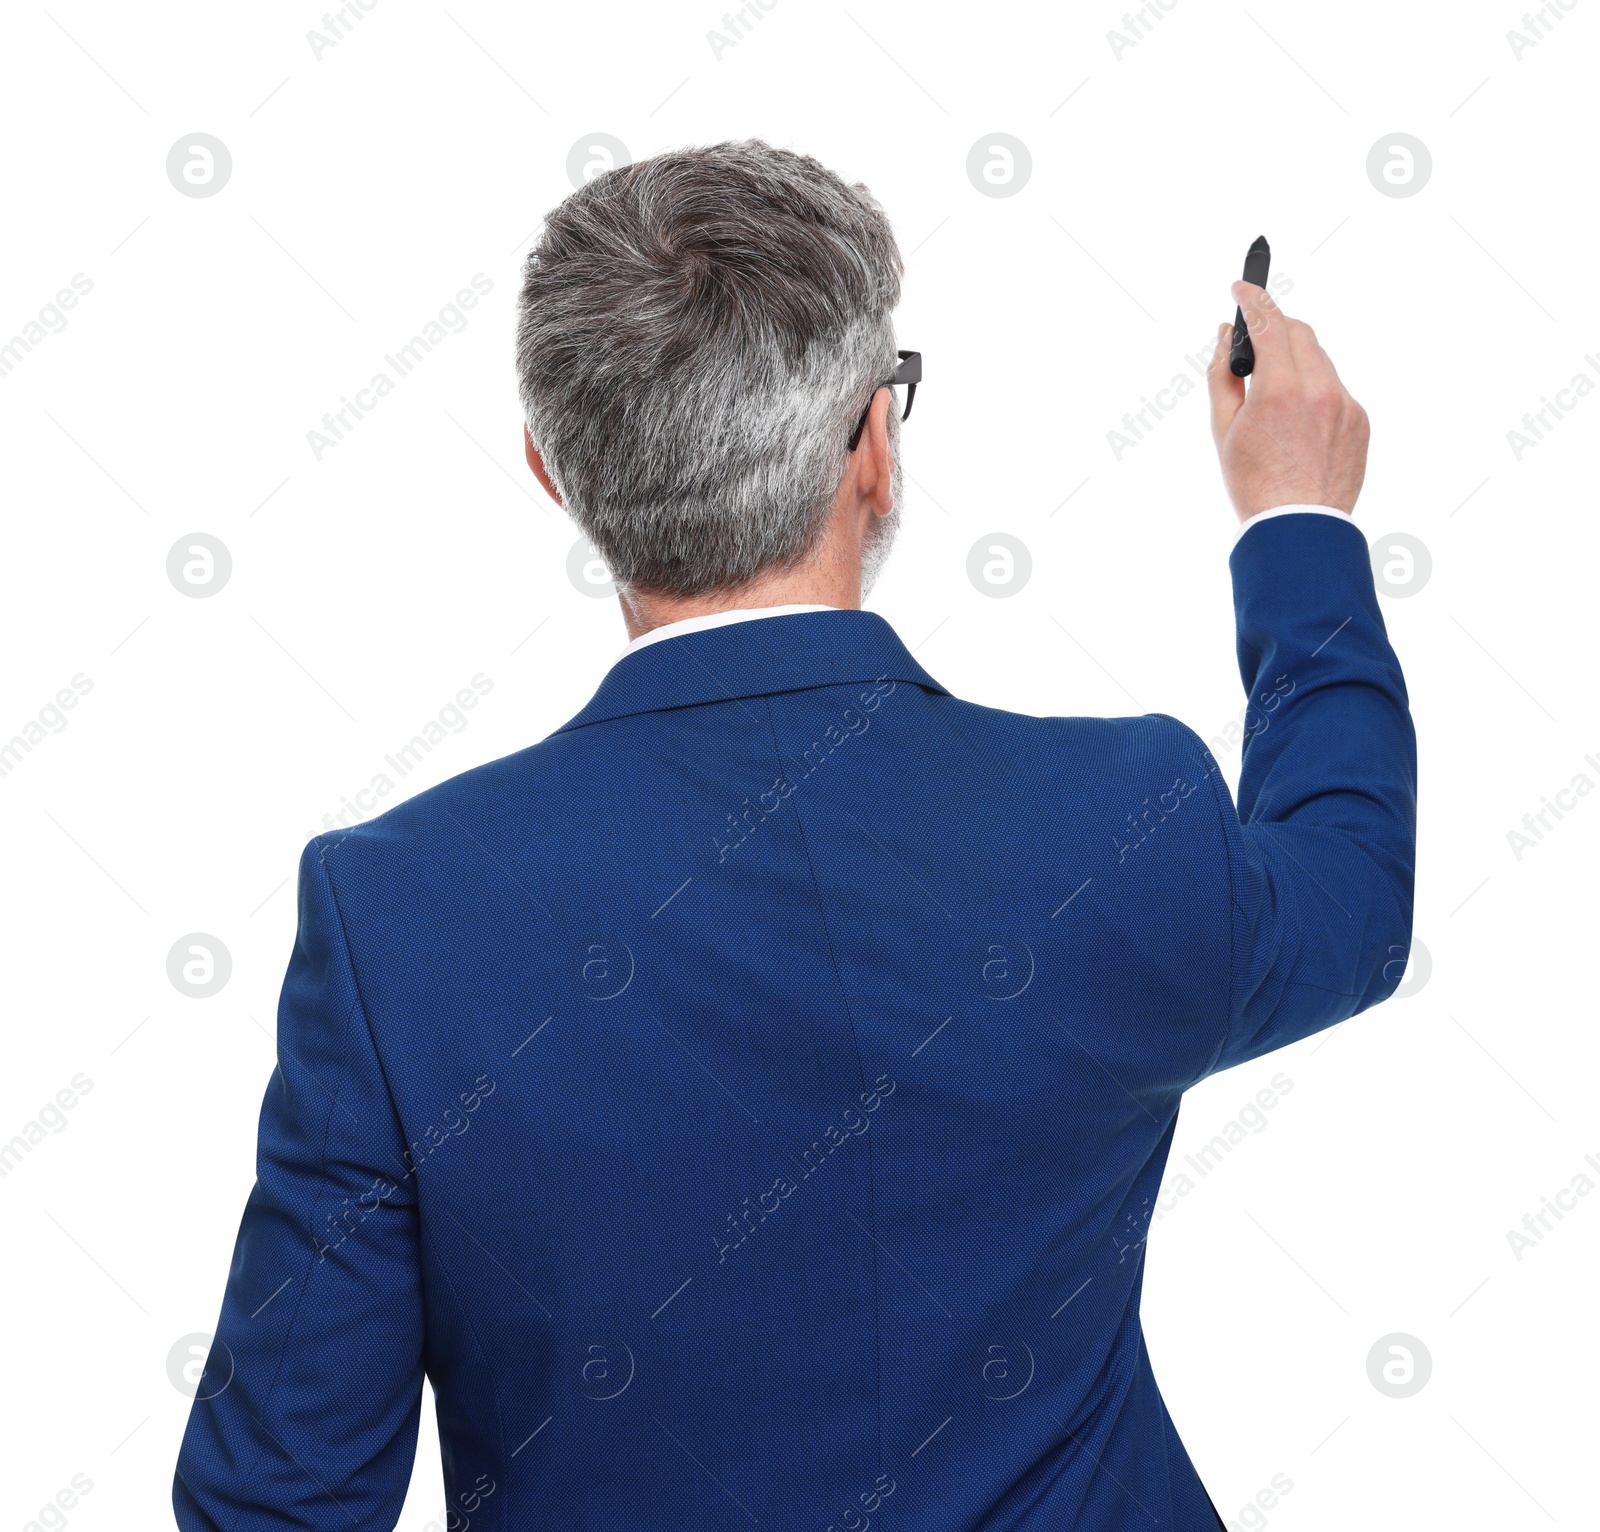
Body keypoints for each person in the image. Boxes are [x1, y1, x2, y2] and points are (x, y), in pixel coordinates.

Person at [174, 140, 1414, 1530]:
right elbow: (1348, 900)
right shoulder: (1122, 821)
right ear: (876, 445)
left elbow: (278, 1502)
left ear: (554, 474)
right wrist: (1298, 516)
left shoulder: (395, 915)